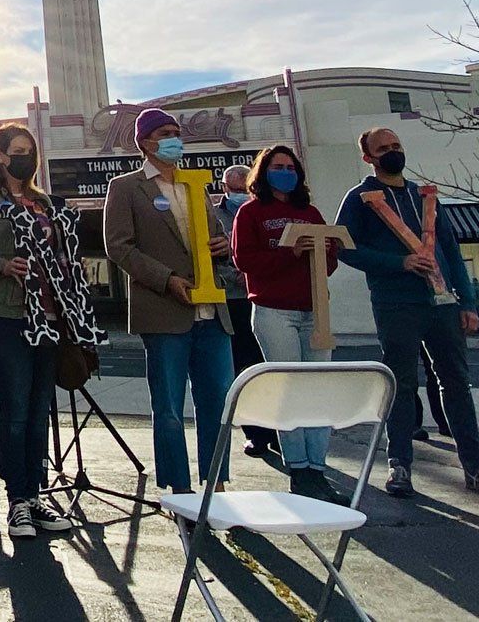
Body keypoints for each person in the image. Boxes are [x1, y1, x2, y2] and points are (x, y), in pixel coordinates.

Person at [336, 127, 479, 500]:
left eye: (397, 145)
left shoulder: (425, 195)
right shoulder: (360, 198)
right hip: (396, 303)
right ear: (368, 158)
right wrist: (397, 263)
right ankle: (400, 464)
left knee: (456, 382)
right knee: (401, 383)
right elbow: (343, 247)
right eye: (383, 148)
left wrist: (467, 301)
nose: (392, 152)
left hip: (443, 302)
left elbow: (451, 250)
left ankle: (477, 466)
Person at [0, 123, 77, 537]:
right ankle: (17, 500)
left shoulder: (44, 201)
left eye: (29, 150)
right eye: (16, 150)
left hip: (47, 315)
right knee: (16, 404)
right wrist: (3, 265)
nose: (24, 156)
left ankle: (36, 495)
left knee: (40, 406)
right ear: (0, 155)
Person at [102, 109, 234, 495]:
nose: (175, 138)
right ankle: (179, 489)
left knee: (218, 404)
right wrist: (166, 280)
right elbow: (119, 247)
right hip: (165, 312)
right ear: (145, 141)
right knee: (170, 409)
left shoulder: (197, 186)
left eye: (178, 132)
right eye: (165, 132)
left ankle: (217, 485)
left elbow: (216, 236)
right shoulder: (126, 188)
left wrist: (223, 247)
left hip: (212, 313)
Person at [229, 145, 343, 501]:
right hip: (274, 311)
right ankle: (298, 468)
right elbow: (244, 260)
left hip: (315, 311)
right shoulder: (250, 213)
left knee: (318, 388)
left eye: (291, 167)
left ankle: (317, 467)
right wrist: (288, 253)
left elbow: (330, 261)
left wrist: (321, 254)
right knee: (290, 387)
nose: (286, 172)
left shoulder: (310, 212)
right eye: (278, 167)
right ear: (263, 173)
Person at [216, 164, 276, 462]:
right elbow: (209, 252)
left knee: (270, 368)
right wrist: (236, 272)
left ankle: (281, 431)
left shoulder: (264, 212)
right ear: (225, 187)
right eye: (235, 189)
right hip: (232, 301)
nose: (241, 194)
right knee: (244, 370)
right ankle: (256, 434)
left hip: (264, 298)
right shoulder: (214, 215)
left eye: (245, 189)